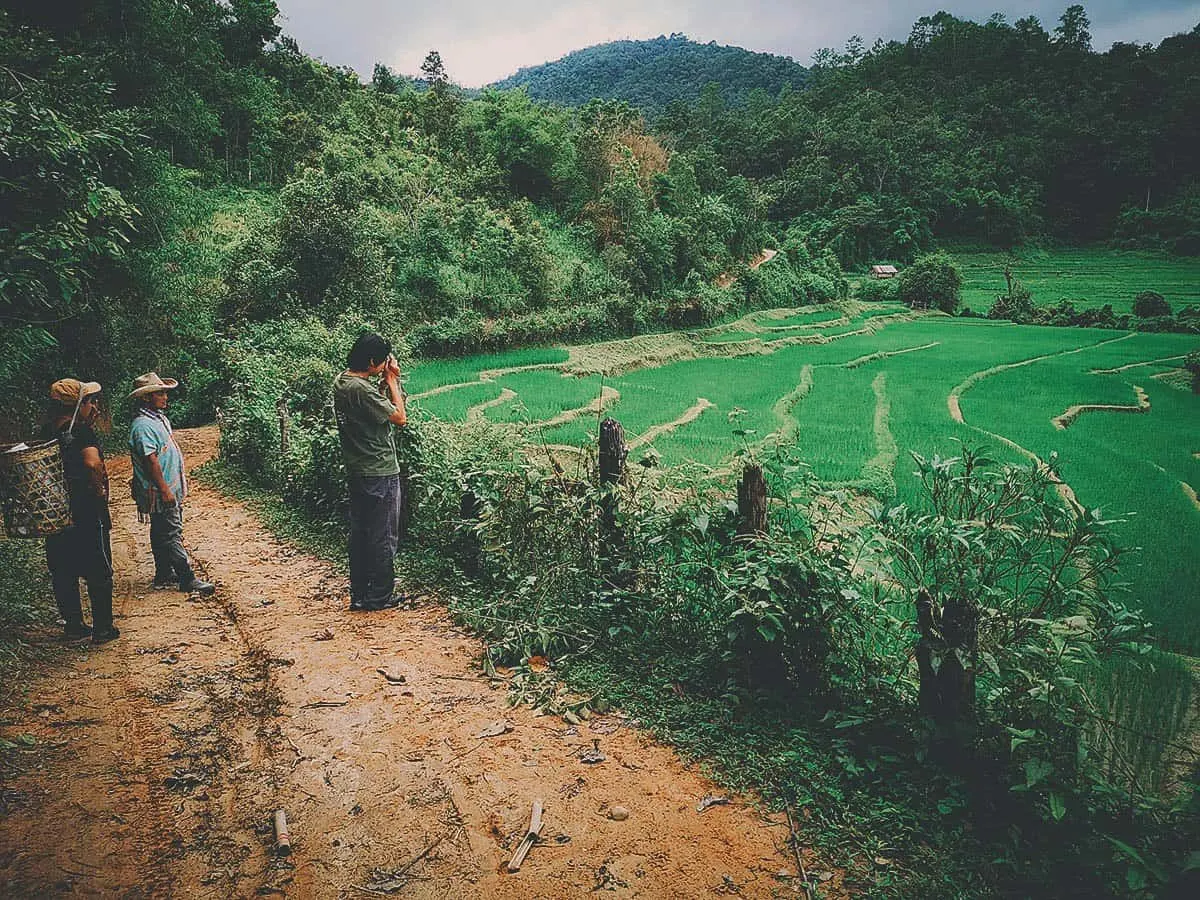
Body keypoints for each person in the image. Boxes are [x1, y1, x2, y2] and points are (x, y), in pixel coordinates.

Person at [332, 332, 408, 611]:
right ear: (373, 360)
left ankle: (360, 593)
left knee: (361, 533)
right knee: (383, 533)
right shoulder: (362, 389)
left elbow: (368, 407)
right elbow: (400, 417)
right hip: (379, 469)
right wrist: (392, 381)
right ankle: (380, 596)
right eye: (384, 359)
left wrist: (379, 382)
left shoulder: (342, 382)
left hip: (357, 468)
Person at [42, 378, 119, 644]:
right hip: (85, 509)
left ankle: (73, 624)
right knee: (99, 568)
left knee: (63, 569)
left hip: (53, 511)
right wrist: (98, 490)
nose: (94, 405)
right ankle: (103, 628)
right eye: (89, 400)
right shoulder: (82, 432)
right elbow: (91, 463)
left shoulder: (47, 431)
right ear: (79, 404)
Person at [127, 372, 214, 596]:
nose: (165, 397)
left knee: (160, 529)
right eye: (160, 393)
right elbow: (150, 460)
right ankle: (187, 577)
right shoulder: (143, 426)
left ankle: (164, 572)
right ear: (146, 398)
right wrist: (164, 489)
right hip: (159, 489)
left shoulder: (157, 419)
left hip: (165, 486)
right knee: (172, 531)